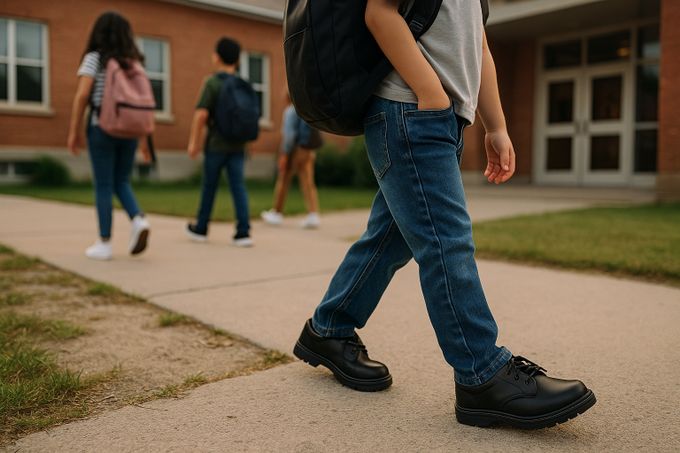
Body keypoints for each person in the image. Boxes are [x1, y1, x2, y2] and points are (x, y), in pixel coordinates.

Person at [293, 0, 596, 429]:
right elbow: (379, 11)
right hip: (410, 110)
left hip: (436, 118)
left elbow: (481, 47)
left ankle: (328, 329)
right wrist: (431, 93)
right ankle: (482, 374)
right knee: (447, 243)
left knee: (390, 238)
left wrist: (496, 125)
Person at [67, 11, 151, 261]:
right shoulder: (135, 63)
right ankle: (138, 219)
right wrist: (144, 140)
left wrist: (74, 132)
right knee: (122, 181)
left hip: (102, 129)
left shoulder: (95, 59)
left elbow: (82, 95)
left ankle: (104, 243)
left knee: (104, 184)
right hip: (130, 130)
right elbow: (144, 104)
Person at [185, 37, 253, 247]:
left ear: (217, 57)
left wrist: (194, 142)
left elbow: (201, 115)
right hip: (238, 145)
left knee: (209, 186)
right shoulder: (244, 85)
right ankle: (243, 232)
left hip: (216, 145)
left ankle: (201, 228)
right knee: (238, 187)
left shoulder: (212, 83)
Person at [261, 97, 321, 229]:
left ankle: (277, 213)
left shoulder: (290, 111)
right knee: (308, 182)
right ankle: (313, 214)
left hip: (296, 150)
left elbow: (289, 135)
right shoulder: (306, 108)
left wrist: (284, 154)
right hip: (309, 149)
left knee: (283, 179)